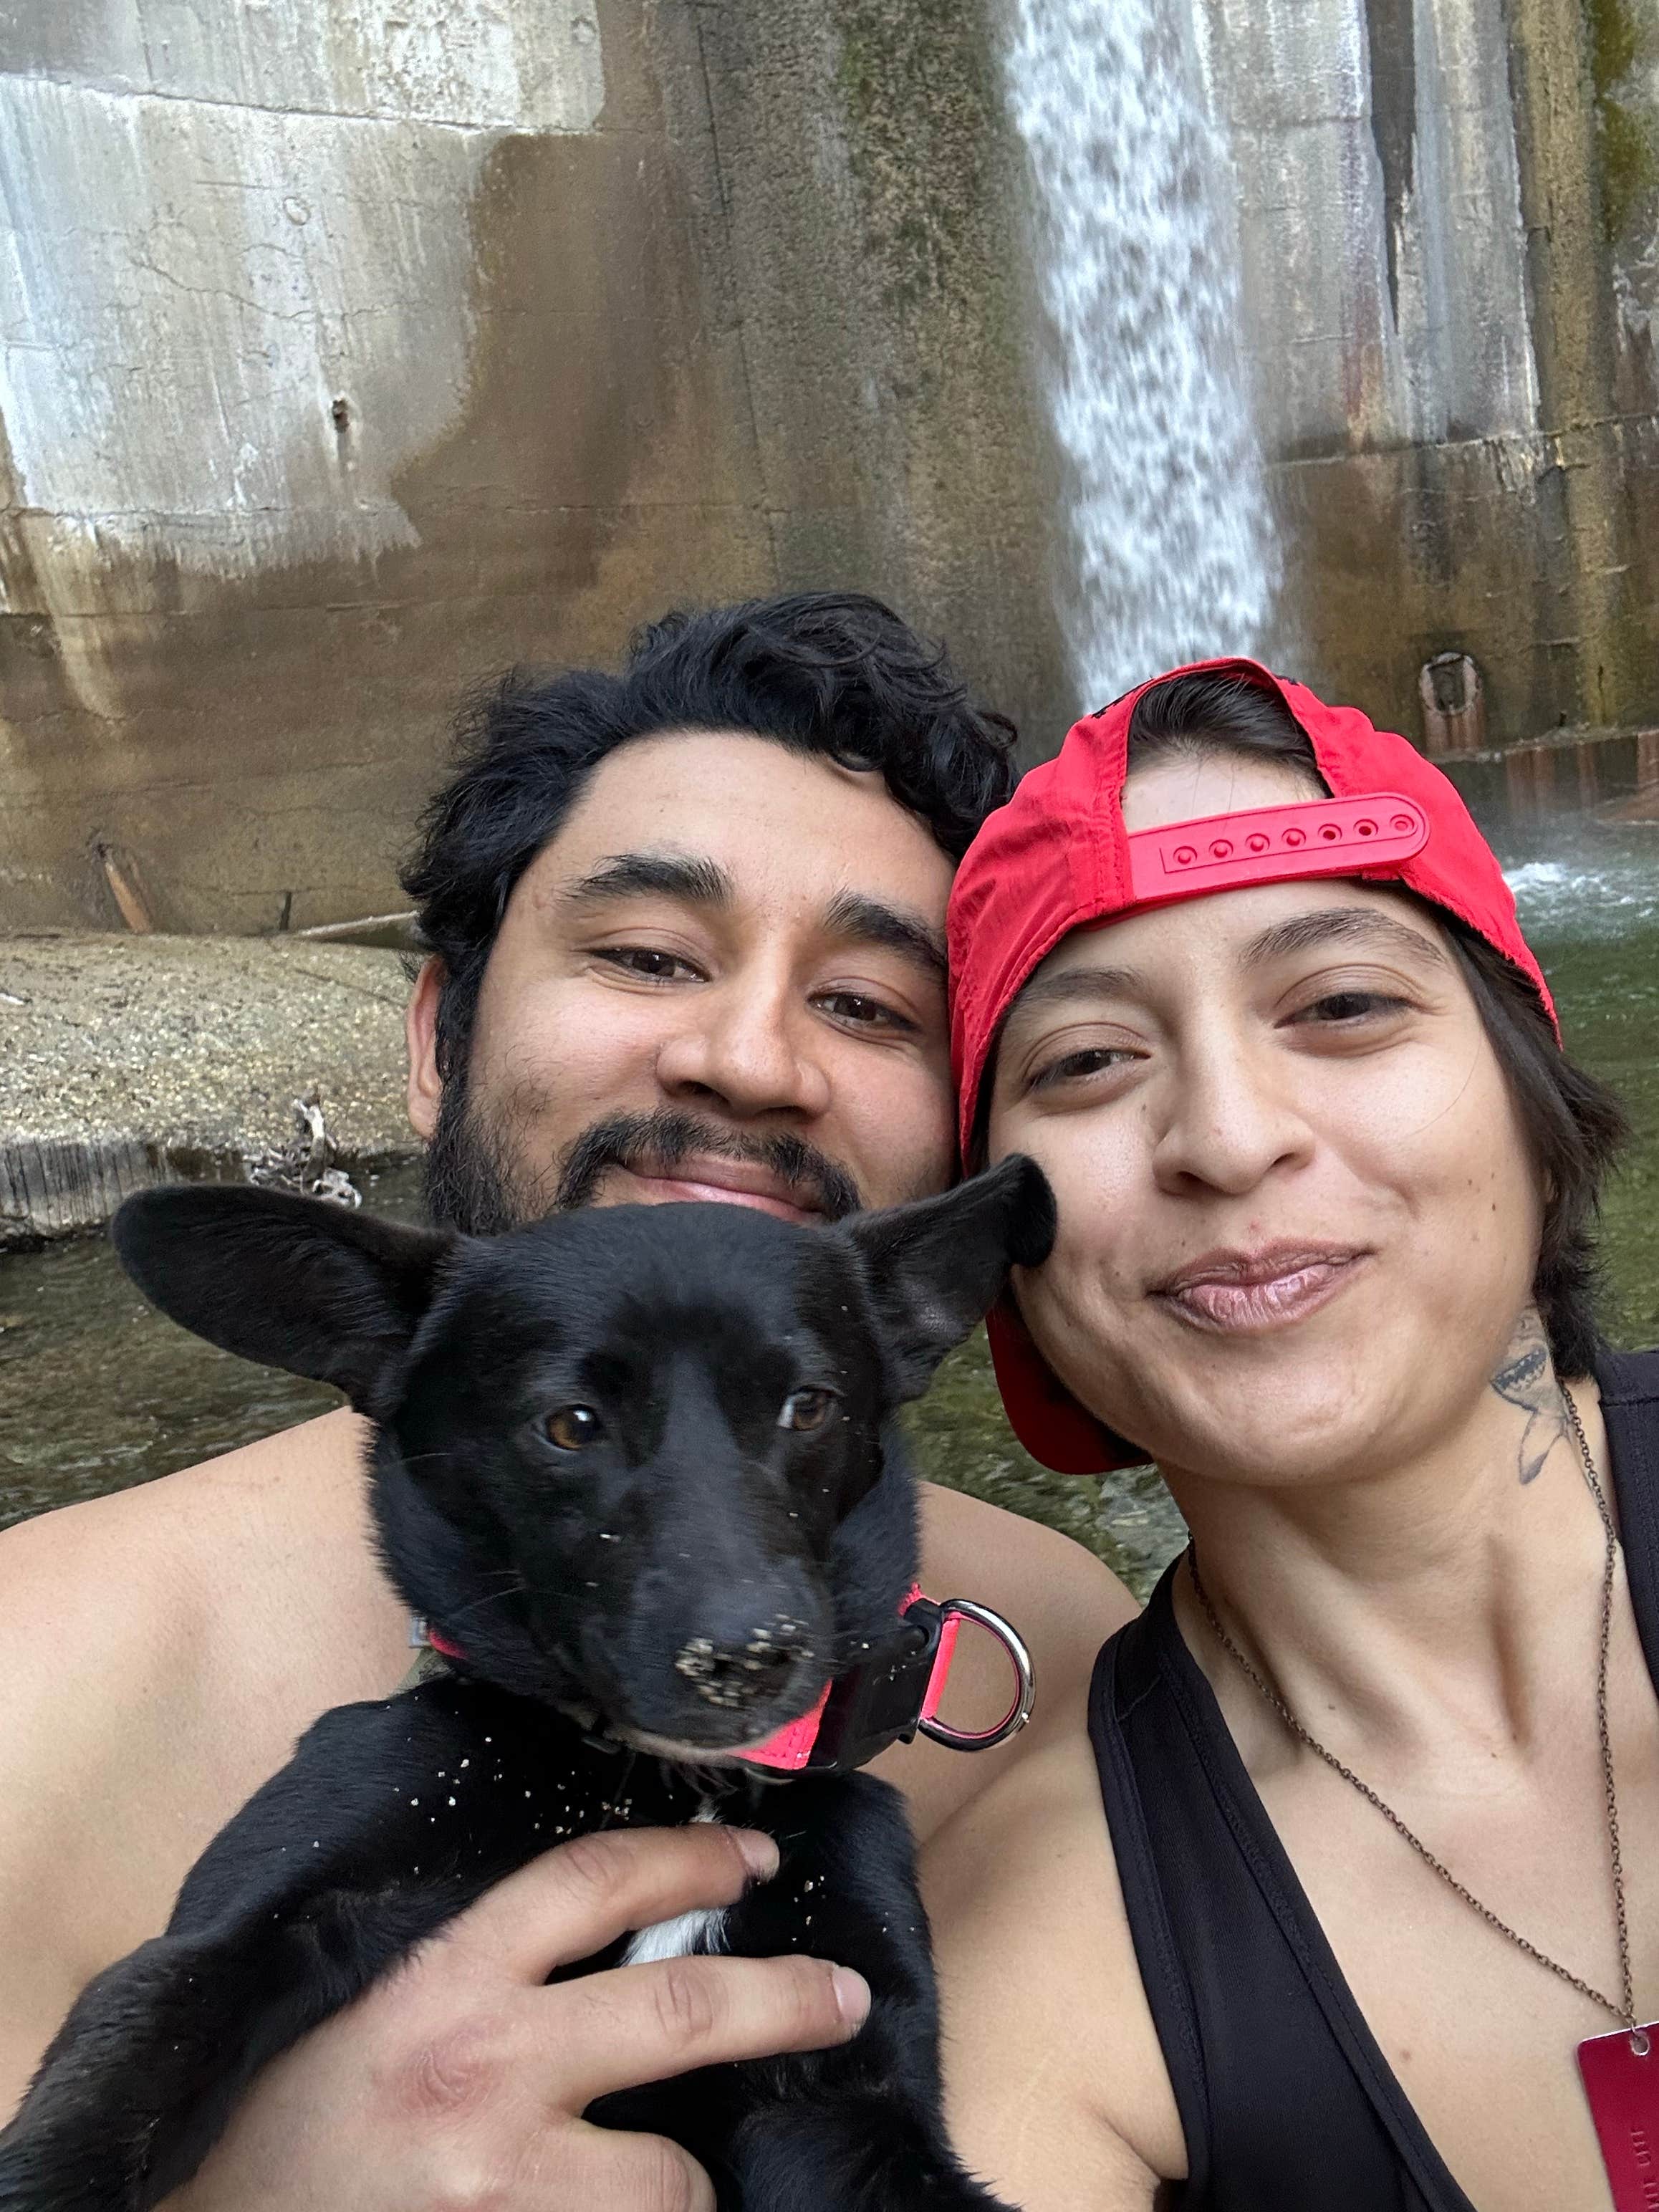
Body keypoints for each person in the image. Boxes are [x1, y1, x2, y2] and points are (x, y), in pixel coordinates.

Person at [0, 592, 1136, 2206]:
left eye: (871, 1003)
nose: (751, 1058)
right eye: (651, 953)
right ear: (437, 1039)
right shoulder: (26, 1690)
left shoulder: (1075, 1659)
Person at [923, 659, 1650, 2211]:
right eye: (1088, 1062)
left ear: (1535, 1104)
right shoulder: (1034, 1977)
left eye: (1342, 1004)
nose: (1231, 1134)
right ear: (1003, 1255)